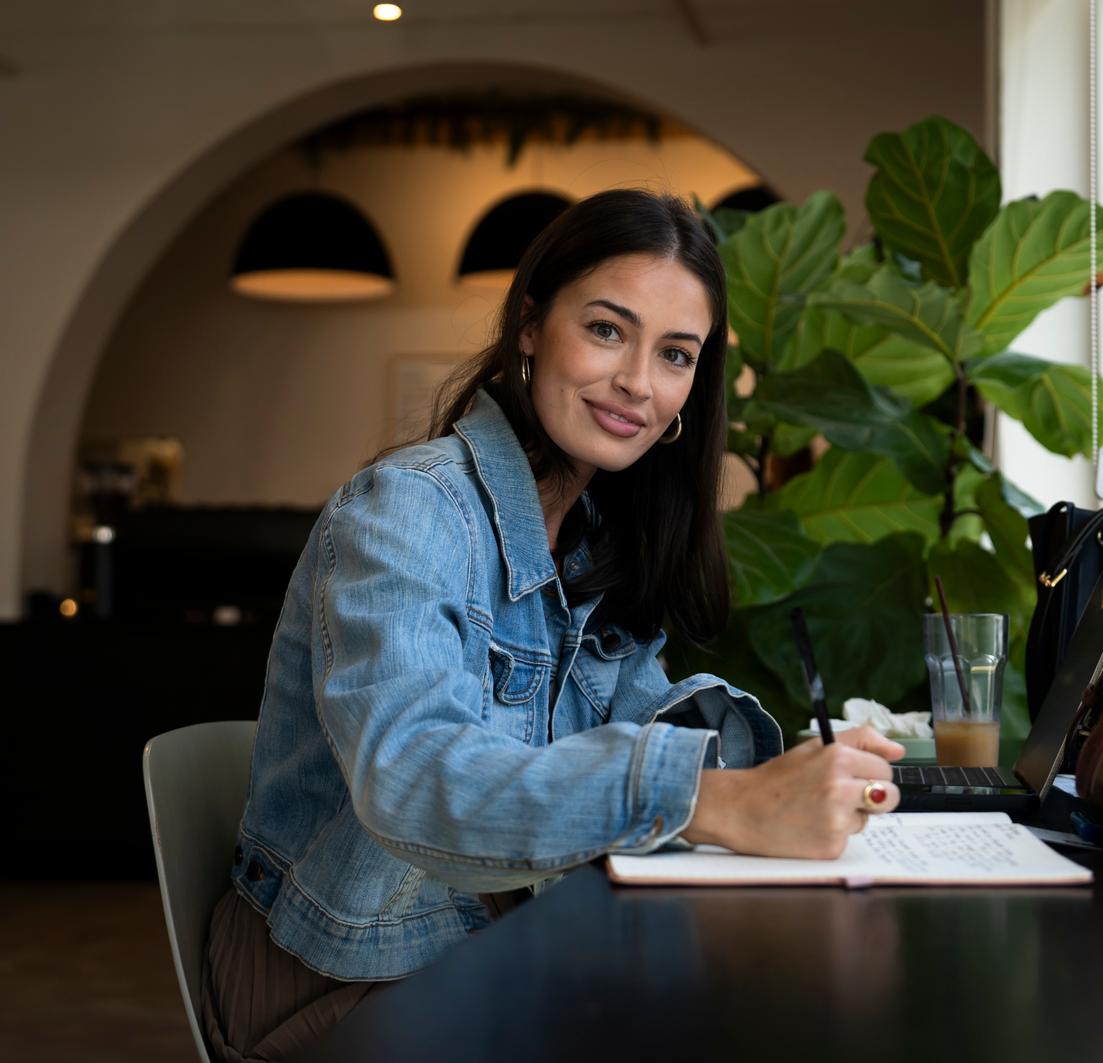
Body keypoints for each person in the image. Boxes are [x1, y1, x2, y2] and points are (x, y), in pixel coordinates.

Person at [202, 188, 903, 1061]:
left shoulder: (597, 535)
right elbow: (411, 779)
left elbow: (637, 713)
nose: (639, 383)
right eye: (608, 330)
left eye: (675, 353)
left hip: (492, 942)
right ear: (530, 324)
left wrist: (776, 772)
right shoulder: (409, 510)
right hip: (346, 974)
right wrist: (706, 796)